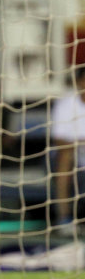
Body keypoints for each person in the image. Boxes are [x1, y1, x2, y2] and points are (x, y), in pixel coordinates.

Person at [51, 67, 85, 234]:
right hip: (71, 153)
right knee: (65, 156)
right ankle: (65, 219)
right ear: (78, 82)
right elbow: (59, 140)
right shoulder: (66, 103)